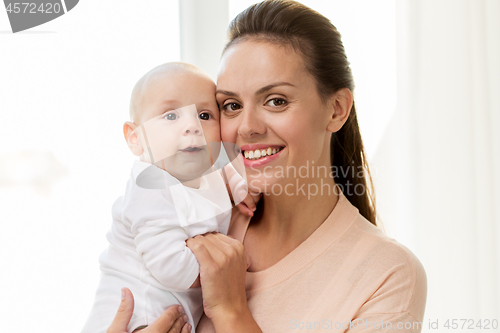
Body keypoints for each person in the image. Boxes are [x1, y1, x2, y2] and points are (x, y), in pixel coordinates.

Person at [107, 1, 427, 332]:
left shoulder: (386, 275)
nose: (247, 127)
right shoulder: (202, 213)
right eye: (231, 105)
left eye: (276, 100)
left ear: (336, 109)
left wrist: (232, 311)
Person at [81, 62, 257, 333]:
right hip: (137, 313)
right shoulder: (150, 185)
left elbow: (225, 173)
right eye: (171, 116)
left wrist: (240, 189)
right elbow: (171, 267)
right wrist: (223, 269)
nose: (192, 126)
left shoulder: (203, 170)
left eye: (205, 115)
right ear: (136, 138)